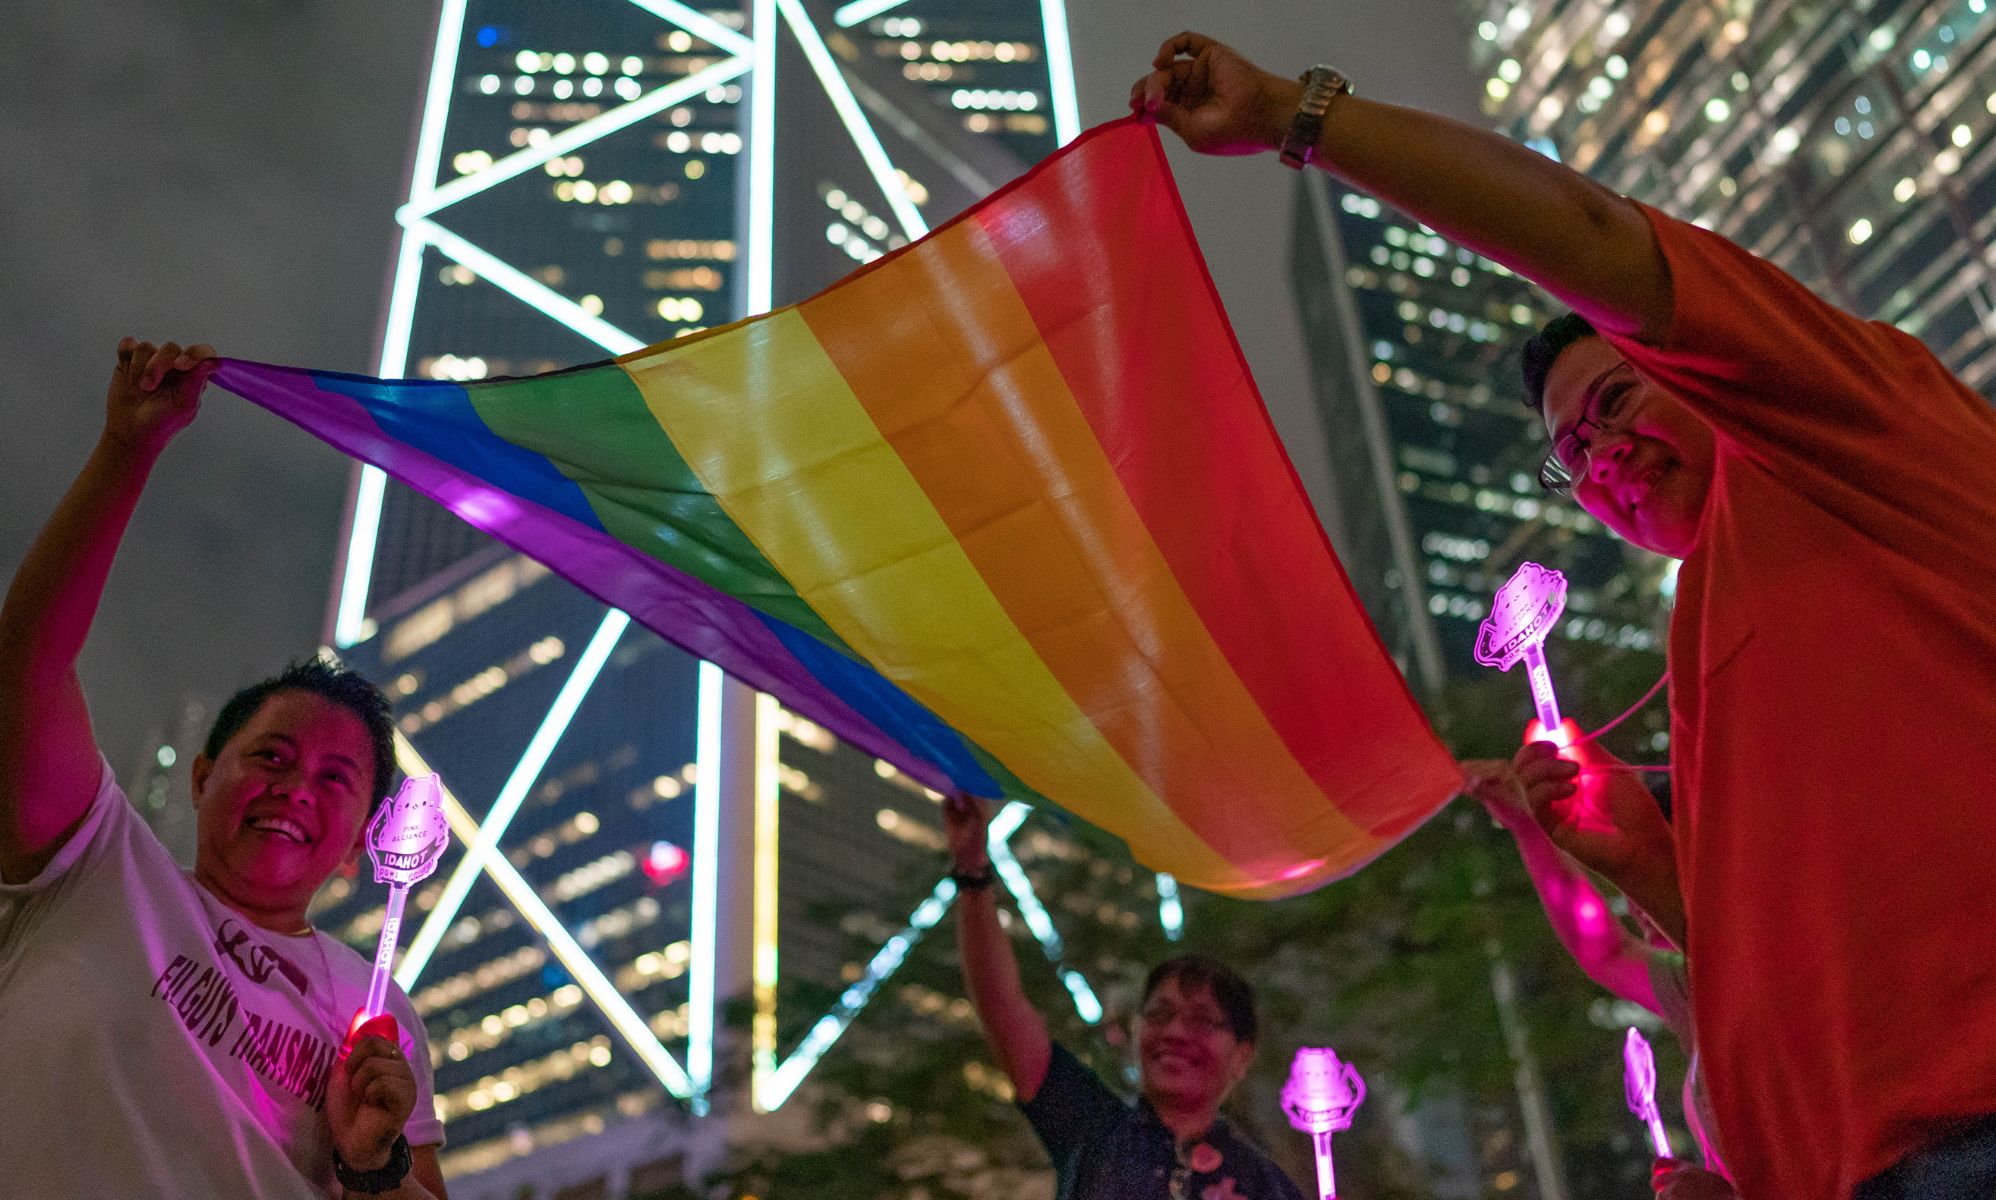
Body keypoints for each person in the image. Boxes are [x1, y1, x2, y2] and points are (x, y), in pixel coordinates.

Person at [1131, 33, 1996, 1199]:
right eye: (1571, 453)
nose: (1598, 456)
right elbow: (1789, 959)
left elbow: (1599, 244)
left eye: (1614, 400)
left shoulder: (1838, 435)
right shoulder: (1708, 625)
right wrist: (1644, 865)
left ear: (1696, 368)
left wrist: (1297, 114)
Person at [0, 340, 447, 1198]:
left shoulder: (376, 1012)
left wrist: (371, 1161)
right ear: (204, 778)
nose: (293, 788)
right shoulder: (90, 864)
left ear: (360, 846)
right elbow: (28, 662)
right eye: (271, 756)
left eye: (334, 781)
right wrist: (127, 451)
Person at [943, 793, 1303, 1200]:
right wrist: (972, 871)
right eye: (1159, 1013)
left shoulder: (1265, 1185)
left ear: (1242, 1055)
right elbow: (1002, 1007)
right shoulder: (1089, 1128)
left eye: (1202, 1020)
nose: (1175, 1032)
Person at [1465, 738, 1732, 1191]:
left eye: (1654, 865)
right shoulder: (1688, 987)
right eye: (1626, 887)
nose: (1637, 908)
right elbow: (1601, 951)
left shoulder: (1781, 978)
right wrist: (1528, 828)